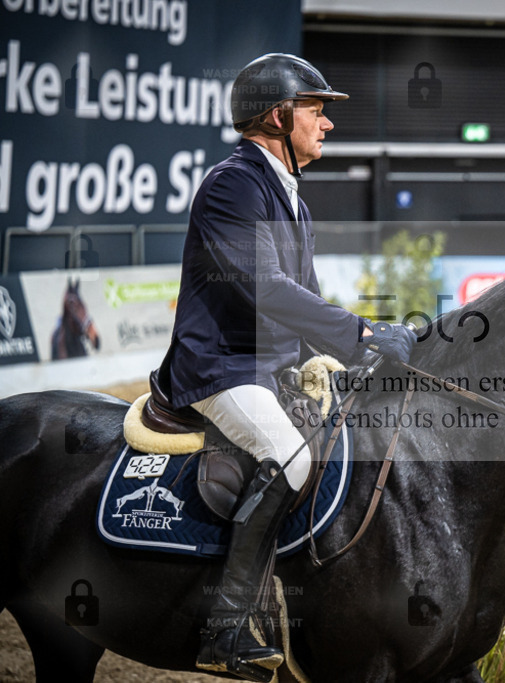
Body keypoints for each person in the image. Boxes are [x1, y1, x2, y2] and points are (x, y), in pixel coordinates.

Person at [152, 53, 415, 681]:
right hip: (219, 367)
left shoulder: (286, 193)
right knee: (292, 459)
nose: (326, 123)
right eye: (316, 110)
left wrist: (348, 358)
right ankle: (225, 630)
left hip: (267, 368)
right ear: (277, 115)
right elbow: (266, 290)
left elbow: (303, 301)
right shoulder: (234, 183)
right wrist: (360, 333)